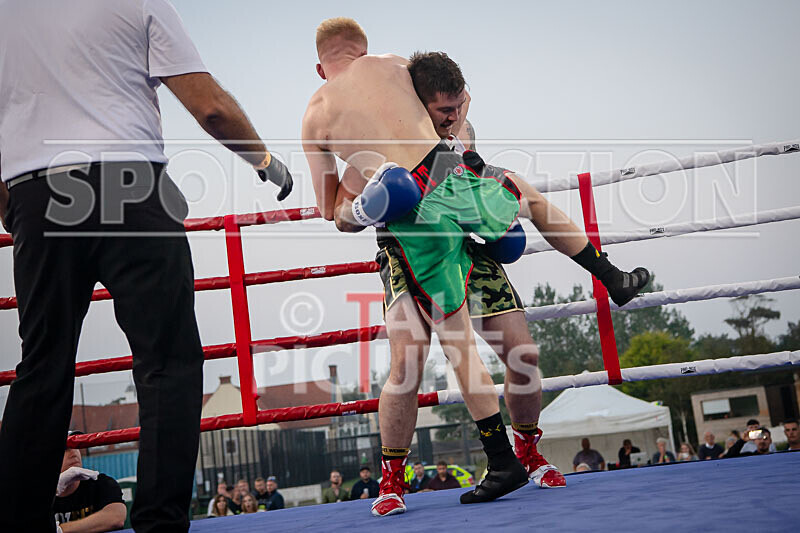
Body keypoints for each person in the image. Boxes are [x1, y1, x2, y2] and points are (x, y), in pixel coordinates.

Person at [303, 18, 649, 517]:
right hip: (404, 228)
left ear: (320, 67)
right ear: (362, 50)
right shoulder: (385, 73)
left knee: (519, 352)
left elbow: (331, 212)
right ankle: (395, 476)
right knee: (411, 360)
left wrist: (456, 137)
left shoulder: (347, 101)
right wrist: (368, 203)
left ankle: (520, 453)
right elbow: (338, 213)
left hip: (445, 185)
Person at [0, 1, 292, 531]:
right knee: (168, 362)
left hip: (36, 193)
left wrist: (17, 208)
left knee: (42, 367)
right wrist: (263, 159)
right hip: (128, 181)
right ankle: (159, 523)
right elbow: (210, 108)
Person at [53, 432, 127, 532]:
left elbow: (116, 518)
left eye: (76, 446)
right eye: (65, 449)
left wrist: (59, 530)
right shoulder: (36, 494)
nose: (73, 453)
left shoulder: (99, 482)